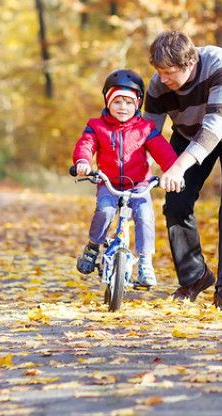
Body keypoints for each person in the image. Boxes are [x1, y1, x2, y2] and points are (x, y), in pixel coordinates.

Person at [143, 30, 222, 310]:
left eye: (169, 72)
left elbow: (214, 127)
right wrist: (135, 169)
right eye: (159, 72)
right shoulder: (158, 85)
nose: (163, 79)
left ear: (190, 65)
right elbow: (146, 132)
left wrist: (178, 166)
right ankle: (195, 277)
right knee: (175, 201)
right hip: (187, 133)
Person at [72, 69, 178, 288]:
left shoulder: (146, 129)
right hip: (108, 183)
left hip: (139, 185)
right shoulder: (96, 126)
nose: (123, 107)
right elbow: (86, 144)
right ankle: (93, 246)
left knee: (145, 214)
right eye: (117, 102)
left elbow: (162, 150)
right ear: (108, 103)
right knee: (105, 210)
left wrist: (173, 170)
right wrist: (83, 162)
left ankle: (145, 262)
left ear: (137, 104)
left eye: (129, 103)